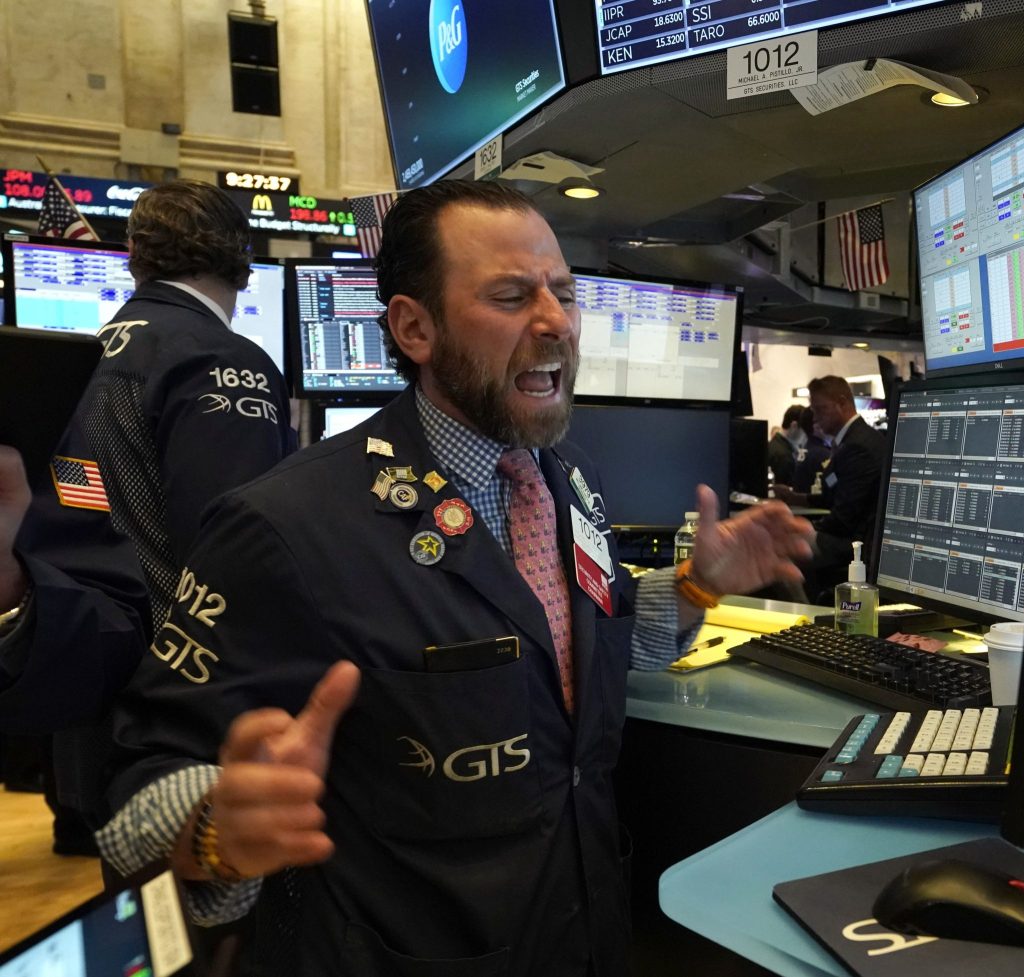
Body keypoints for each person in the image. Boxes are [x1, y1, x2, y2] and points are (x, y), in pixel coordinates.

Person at [98, 180, 814, 976]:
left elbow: (573, 655)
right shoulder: (287, 526)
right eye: (512, 296)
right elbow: (138, 787)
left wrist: (693, 588)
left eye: (564, 294)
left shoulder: (567, 480)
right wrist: (212, 830)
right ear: (415, 327)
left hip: (581, 935)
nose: (555, 322)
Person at [0, 180, 294, 850]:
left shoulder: (83, 355)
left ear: (133, 255)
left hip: (90, 713)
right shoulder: (223, 360)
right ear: (240, 257)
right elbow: (238, 557)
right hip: (189, 726)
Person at [774, 375, 886, 600]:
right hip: (851, 536)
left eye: (820, 409)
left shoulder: (858, 446)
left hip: (854, 545)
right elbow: (832, 495)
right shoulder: (852, 441)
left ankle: (805, 621)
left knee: (781, 549)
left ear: (842, 403)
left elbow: (844, 518)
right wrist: (797, 499)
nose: (815, 418)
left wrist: (807, 527)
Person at [789, 405, 832, 495]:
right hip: (816, 506)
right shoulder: (822, 454)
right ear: (817, 426)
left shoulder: (806, 449)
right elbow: (832, 483)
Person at [767, 404, 804, 488]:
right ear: (794, 426)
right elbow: (787, 491)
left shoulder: (774, 444)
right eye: (804, 430)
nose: (805, 435)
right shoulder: (783, 455)